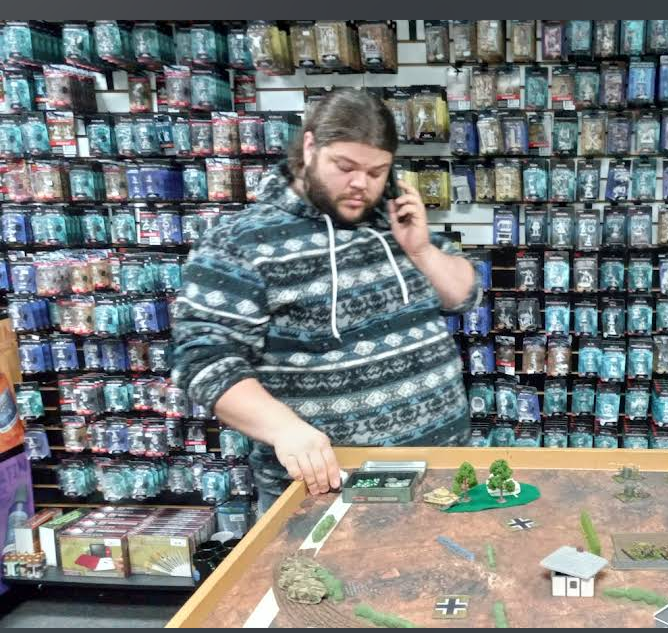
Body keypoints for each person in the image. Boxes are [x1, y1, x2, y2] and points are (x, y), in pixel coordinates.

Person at [171, 89, 482, 513]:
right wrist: (284, 428)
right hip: (329, 492)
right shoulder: (239, 242)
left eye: (377, 172)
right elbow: (203, 360)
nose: (361, 184)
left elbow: (465, 295)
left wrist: (422, 250)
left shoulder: (395, 221)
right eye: (345, 167)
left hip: (440, 474)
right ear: (310, 147)